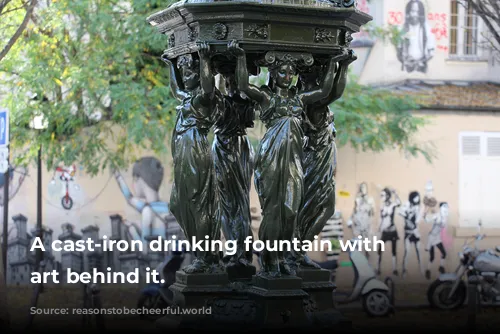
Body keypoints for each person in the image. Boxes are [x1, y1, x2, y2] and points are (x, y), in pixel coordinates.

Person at [229, 40, 344, 277]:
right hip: (271, 159)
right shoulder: (266, 97)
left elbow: (324, 92)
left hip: (293, 162)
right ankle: (270, 260)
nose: (288, 76)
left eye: (291, 72)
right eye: (282, 71)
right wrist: (240, 57)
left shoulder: (298, 99)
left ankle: (282, 257)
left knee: (290, 210)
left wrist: (336, 64)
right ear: (273, 72)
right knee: (273, 211)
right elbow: (242, 85)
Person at [293, 51, 356, 269]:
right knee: (317, 207)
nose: (321, 78)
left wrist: (340, 65)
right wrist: (340, 65)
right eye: (318, 75)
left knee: (322, 208)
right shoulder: (312, 103)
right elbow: (334, 91)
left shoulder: (318, 103)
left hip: (323, 163)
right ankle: (297, 249)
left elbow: (331, 91)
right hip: (315, 161)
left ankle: (298, 248)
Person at [164, 42, 220, 274]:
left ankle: (206, 257)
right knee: (177, 204)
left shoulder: (203, 99)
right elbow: (176, 89)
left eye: (191, 73)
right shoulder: (186, 97)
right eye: (185, 72)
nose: (187, 77)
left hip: (195, 153)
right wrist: (171, 65)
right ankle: (200, 252)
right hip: (182, 156)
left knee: (199, 205)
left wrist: (205, 61)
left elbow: (208, 88)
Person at [211, 59, 256, 269]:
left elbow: (215, 94)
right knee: (227, 205)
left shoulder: (241, 103)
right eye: (227, 80)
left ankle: (240, 252)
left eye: (233, 80)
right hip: (225, 149)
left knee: (236, 203)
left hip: (234, 150)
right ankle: (236, 250)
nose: (229, 83)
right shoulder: (236, 103)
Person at [113, 157, 169, 247]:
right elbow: (130, 199)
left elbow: (145, 250)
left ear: (140, 179)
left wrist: (132, 229)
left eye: (134, 178)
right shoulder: (167, 207)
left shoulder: (147, 211)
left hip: (156, 259)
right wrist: (118, 177)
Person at [397, 0, 435, 73]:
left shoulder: (426, 29)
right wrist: (405, 61)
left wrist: (420, 61)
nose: (415, 15)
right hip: (407, 68)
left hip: (421, 67)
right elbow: (399, 51)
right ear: (408, 12)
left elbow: (431, 53)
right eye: (413, 11)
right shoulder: (403, 29)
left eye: (418, 12)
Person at [347, 182, 375, 259]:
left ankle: (366, 263)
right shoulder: (357, 199)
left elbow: (372, 213)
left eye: (364, 187)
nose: (363, 189)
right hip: (358, 225)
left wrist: (371, 227)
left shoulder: (370, 199)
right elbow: (354, 211)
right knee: (359, 246)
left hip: (366, 225)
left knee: (367, 247)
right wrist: (350, 220)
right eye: (362, 187)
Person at [377, 187, 401, 276]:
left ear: (387, 195)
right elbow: (382, 218)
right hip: (385, 231)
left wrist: (395, 193)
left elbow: (399, 203)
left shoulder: (392, 205)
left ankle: (394, 268)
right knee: (380, 249)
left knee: (394, 250)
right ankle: (378, 268)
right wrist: (379, 228)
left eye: (382, 195)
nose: (381, 197)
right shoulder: (382, 206)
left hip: (392, 231)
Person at [399, 191, 423, 277]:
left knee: (418, 251)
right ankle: (404, 271)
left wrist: (412, 214)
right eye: (415, 197)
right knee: (407, 252)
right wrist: (407, 215)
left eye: (418, 197)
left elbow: (417, 220)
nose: (417, 199)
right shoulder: (407, 204)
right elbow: (400, 211)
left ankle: (421, 270)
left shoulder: (419, 207)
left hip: (415, 233)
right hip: (408, 233)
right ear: (412, 198)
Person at [425, 202, 448, 280]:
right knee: (432, 257)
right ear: (441, 207)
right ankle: (428, 270)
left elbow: (442, 225)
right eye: (444, 206)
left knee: (444, 253)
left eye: (447, 206)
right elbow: (427, 220)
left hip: (437, 237)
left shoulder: (445, 216)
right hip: (431, 237)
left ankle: (441, 267)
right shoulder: (437, 215)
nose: (446, 208)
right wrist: (426, 215)